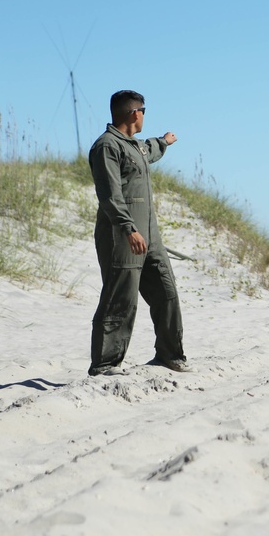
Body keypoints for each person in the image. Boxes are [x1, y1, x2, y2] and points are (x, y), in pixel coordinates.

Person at [87, 89, 190, 376]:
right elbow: (109, 195)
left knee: (166, 292)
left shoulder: (133, 146)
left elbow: (149, 149)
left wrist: (165, 142)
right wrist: (128, 229)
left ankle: (170, 355)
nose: (144, 115)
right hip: (123, 235)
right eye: (144, 110)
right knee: (121, 299)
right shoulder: (107, 146)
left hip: (149, 235)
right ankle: (105, 364)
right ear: (135, 113)